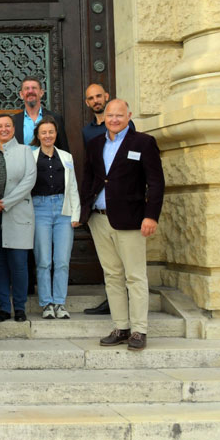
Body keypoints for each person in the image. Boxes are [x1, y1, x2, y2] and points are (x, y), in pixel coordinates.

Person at [80, 99, 164, 351]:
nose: (114, 119)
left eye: (119, 115)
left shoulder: (143, 143)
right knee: (112, 276)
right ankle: (121, 326)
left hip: (131, 220)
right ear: (104, 117)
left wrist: (151, 216)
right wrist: (84, 210)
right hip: (99, 219)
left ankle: (139, 330)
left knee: (135, 276)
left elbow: (156, 183)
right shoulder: (95, 144)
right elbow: (89, 179)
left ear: (129, 116)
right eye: (110, 115)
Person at [81, 83, 136, 315]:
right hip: (100, 208)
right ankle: (112, 303)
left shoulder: (127, 126)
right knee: (110, 265)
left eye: (99, 96)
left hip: (125, 207)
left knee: (129, 264)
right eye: (91, 98)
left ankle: (133, 305)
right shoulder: (88, 133)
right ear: (87, 103)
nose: (96, 101)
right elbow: (92, 170)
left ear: (106, 96)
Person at [0, 114, 36, 322]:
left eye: (7, 125)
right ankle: (4, 307)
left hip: (17, 213)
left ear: (13, 128)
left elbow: (28, 181)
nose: (3, 129)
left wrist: (5, 203)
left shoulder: (25, 151)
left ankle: (20, 307)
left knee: (19, 263)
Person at [30, 117, 80, 320]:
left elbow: (73, 186)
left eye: (51, 132)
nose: (48, 135)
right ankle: (46, 304)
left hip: (63, 210)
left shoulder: (66, 157)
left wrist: (76, 213)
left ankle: (59, 302)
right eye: (44, 132)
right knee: (43, 260)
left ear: (56, 134)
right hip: (39, 208)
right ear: (38, 136)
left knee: (61, 260)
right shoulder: (31, 157)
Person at [11, 76, 70, 152]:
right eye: (27, 88)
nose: (30, 91)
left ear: (41, 93)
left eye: (34, 88)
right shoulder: (14, 121)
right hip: (23, 163)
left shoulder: (56, 118)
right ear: (21, 94)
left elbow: (63, 149)